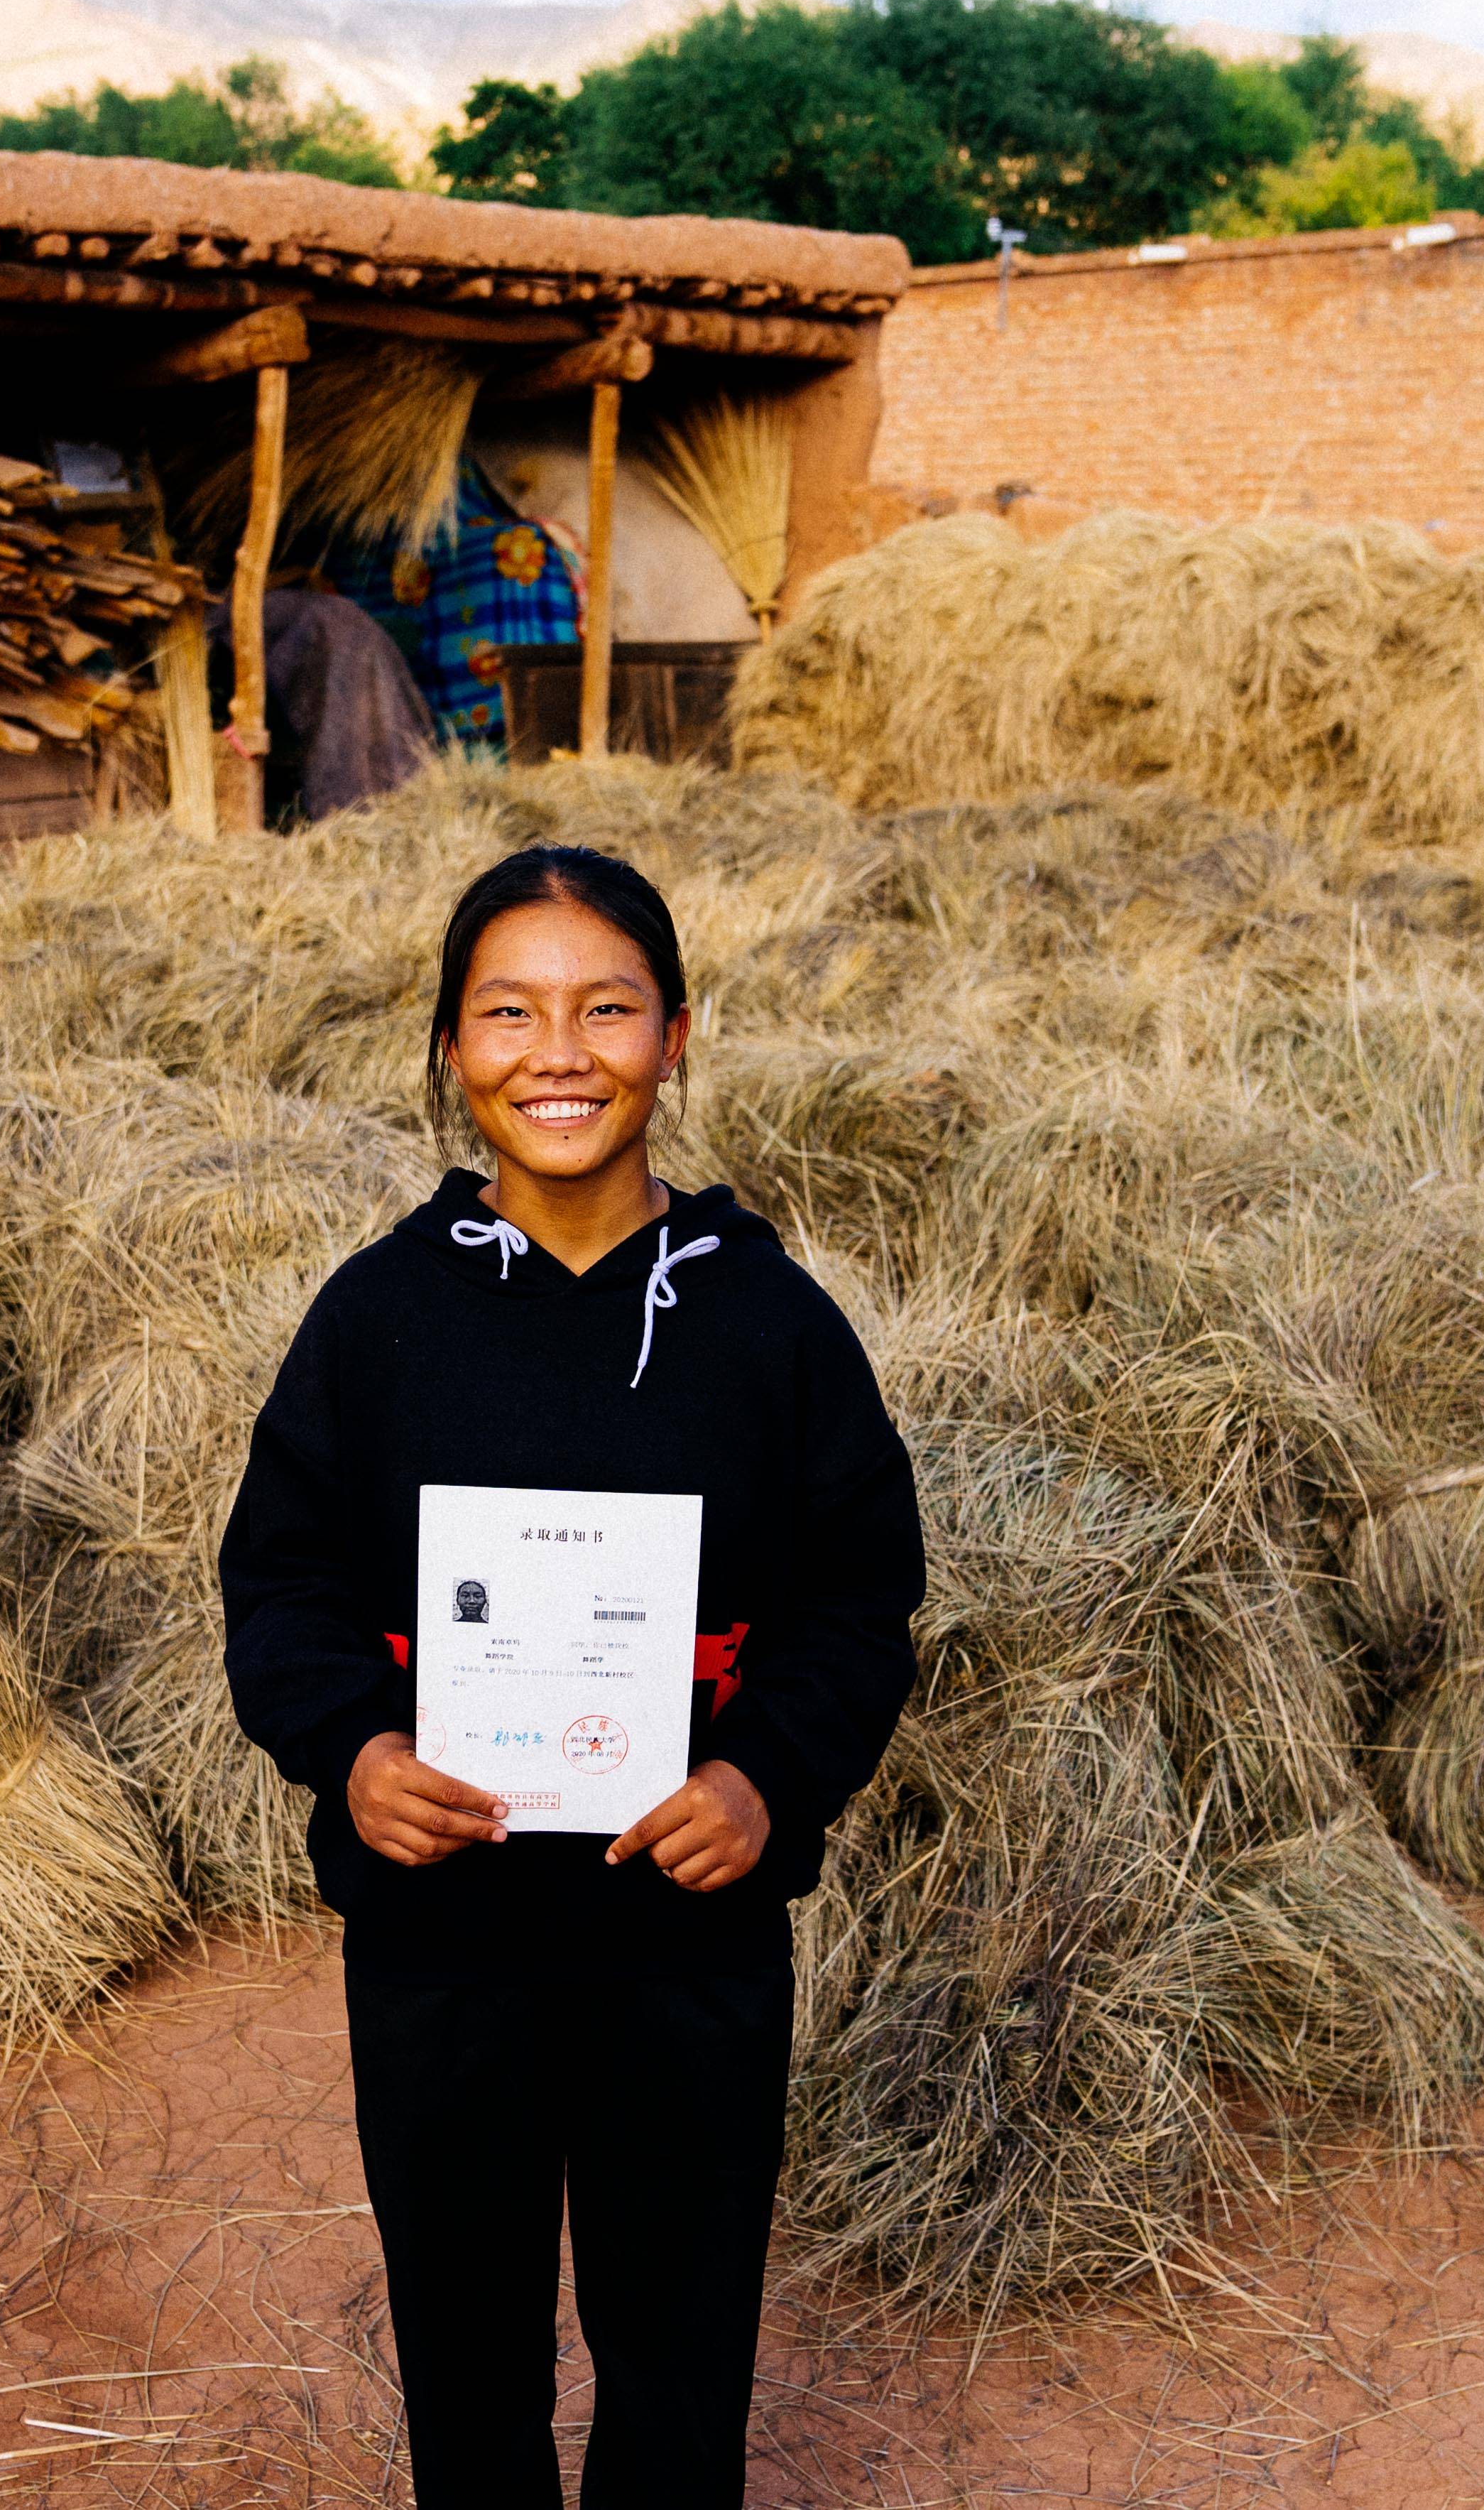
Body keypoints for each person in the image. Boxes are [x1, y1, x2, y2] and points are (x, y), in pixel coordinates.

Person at [219, 844, 924, 2509]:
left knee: (680, 2352)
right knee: (465, 2347)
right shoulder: (379, 1317)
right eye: (509, 1011)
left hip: (686, 1947)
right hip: (441, 1940)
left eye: (606, 1007)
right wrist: (353, 1749)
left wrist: (766, 1776)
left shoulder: (772, 1328)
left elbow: (858, 1596)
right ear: (451, 1046)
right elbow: (283, 1576)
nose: (560, 1051)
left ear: (675, 1036)